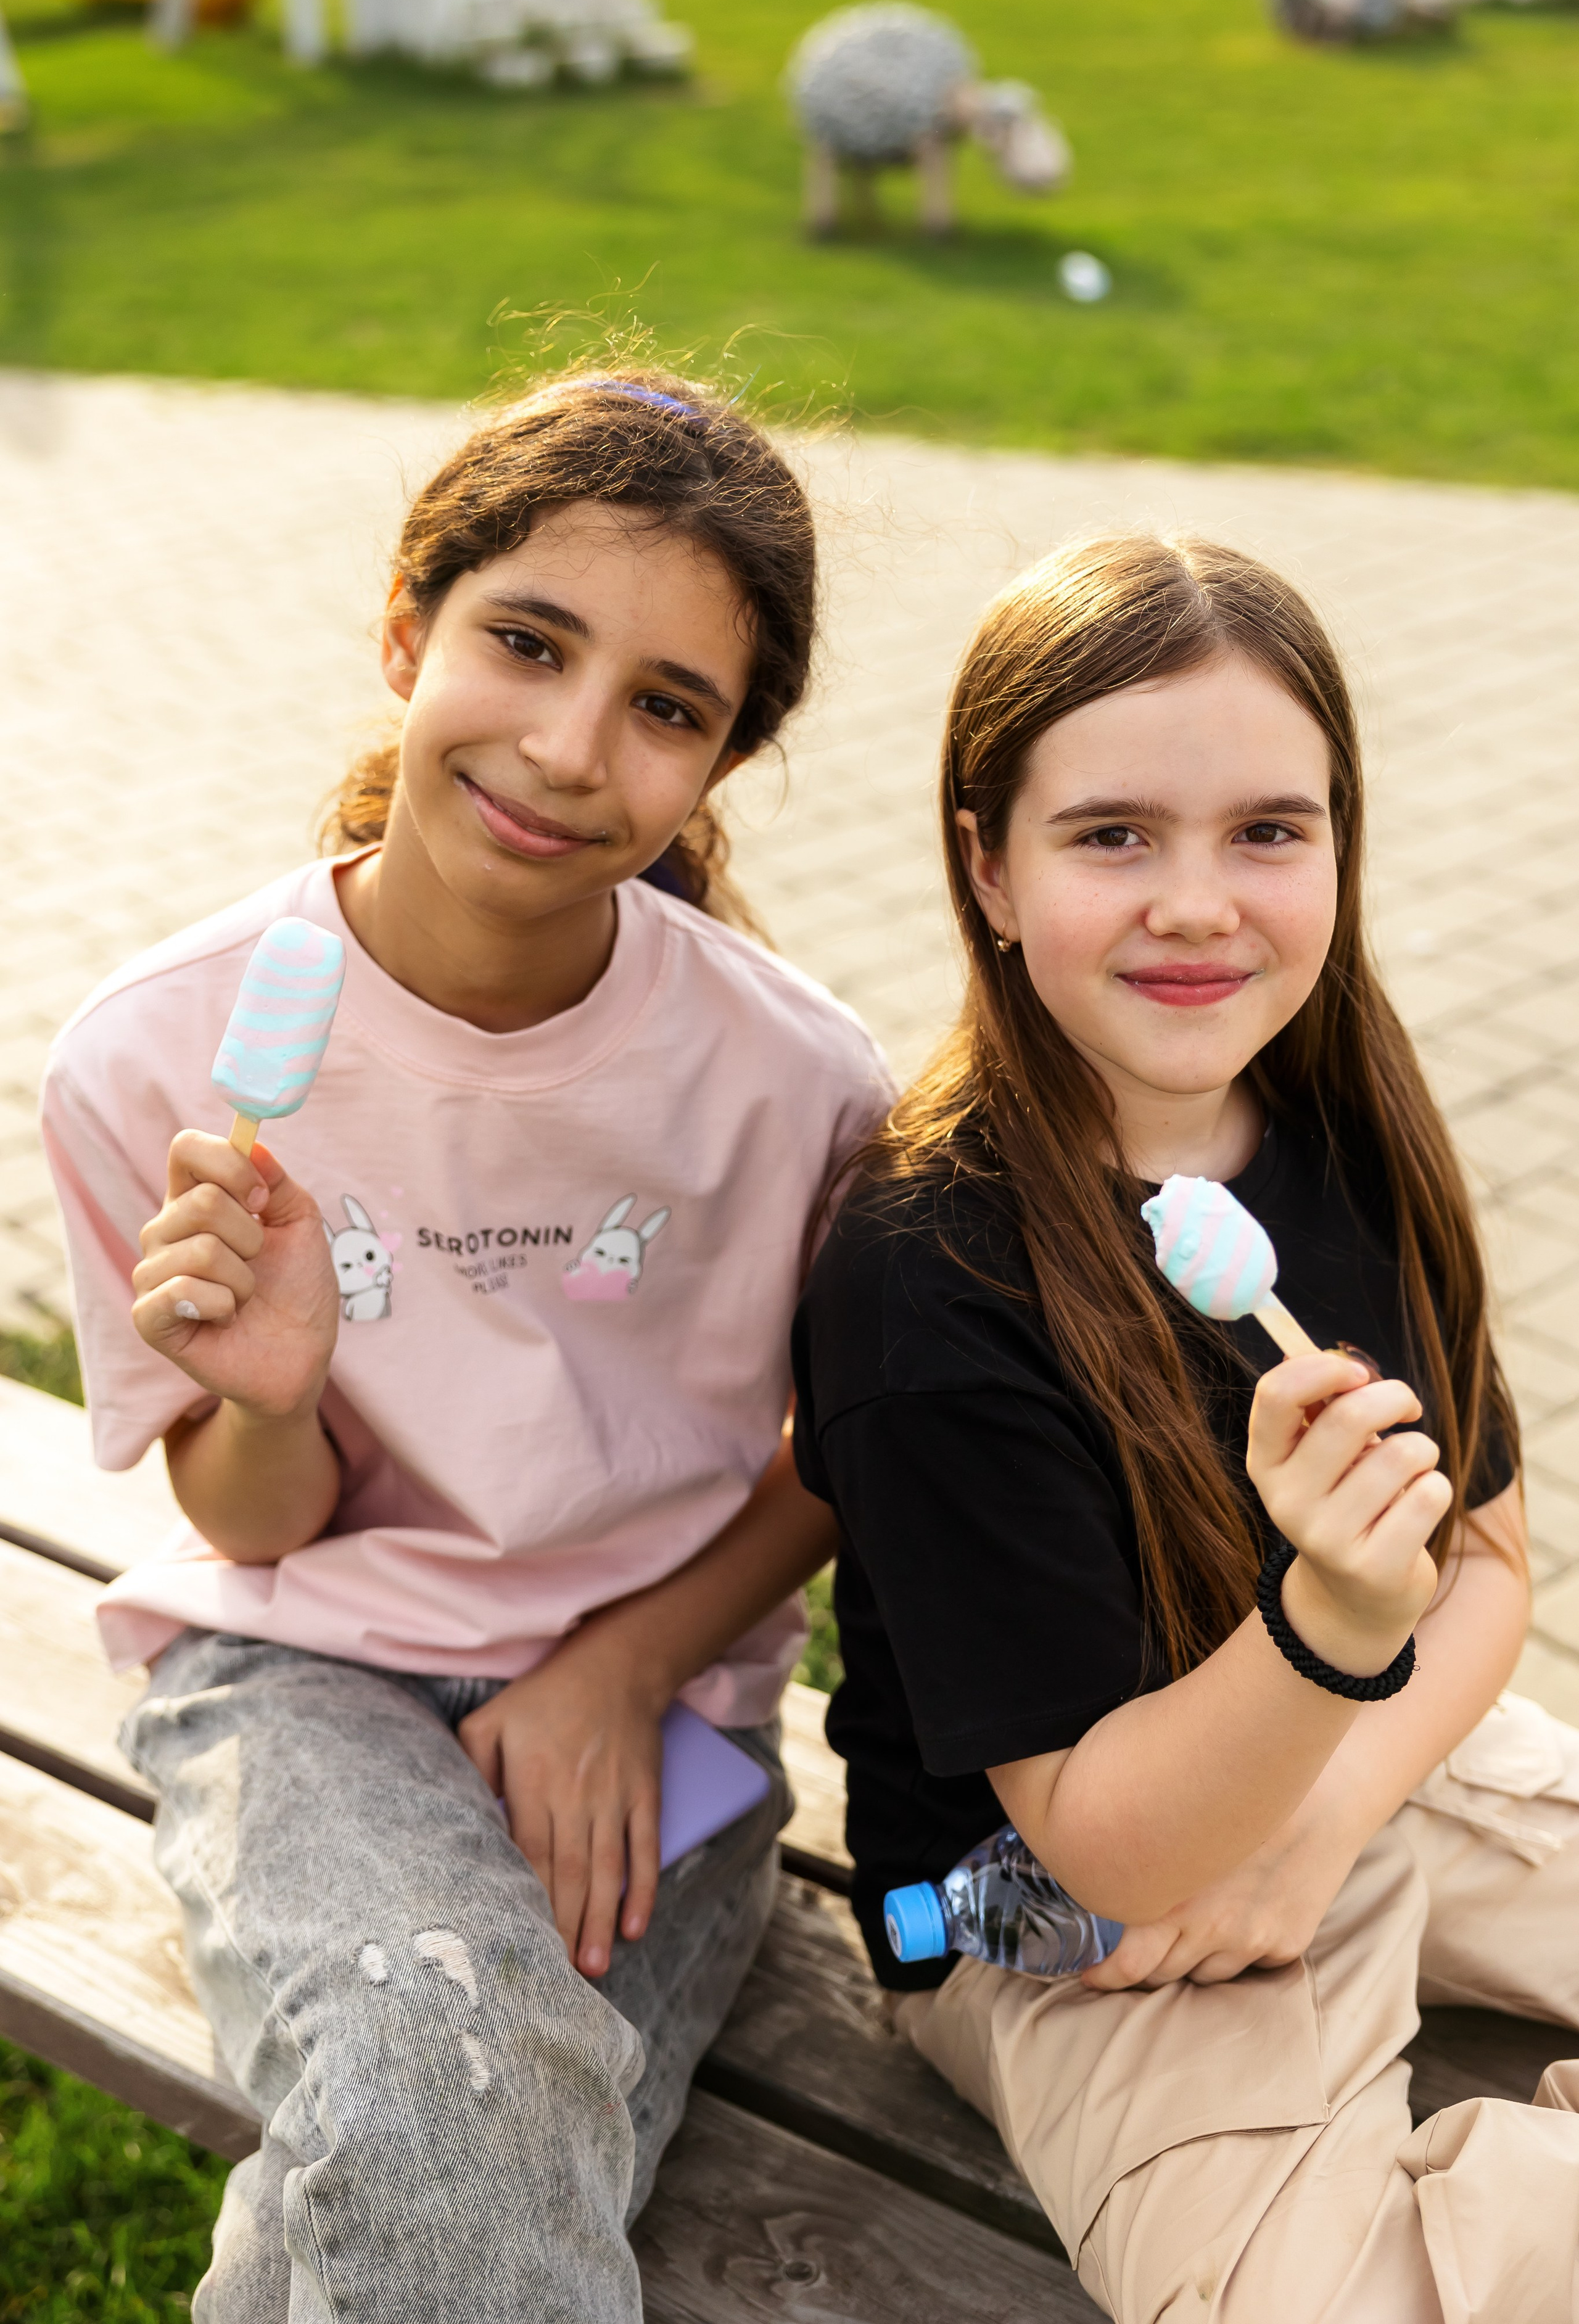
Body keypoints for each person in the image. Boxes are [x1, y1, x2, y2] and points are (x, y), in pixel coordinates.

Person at [41, 366, 891, 2323]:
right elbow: (254, 1522)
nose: (572, 747)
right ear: (411, 624)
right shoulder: (157, 1056)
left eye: (667, 707)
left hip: (668, 1711)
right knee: (450, 2081)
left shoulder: (794, 1082)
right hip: (299, 1670)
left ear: (720, 765)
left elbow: (837, 1447)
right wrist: (269, 1393)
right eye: (527, 641)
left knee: (436, 2113)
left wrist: (631, 1657)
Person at [792, 534, 1579, 2322]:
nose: (1201, 903)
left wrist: (1333, 1805)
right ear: (988, 866)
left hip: (1371, 1754)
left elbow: (1488, 1562)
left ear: (1340, 847)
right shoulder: (924, 1280)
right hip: (1024, 1893)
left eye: (1268, 831)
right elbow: (1104, 1842)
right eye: (1113, 834)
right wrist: (1330, 1630)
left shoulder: (1350, 1125)